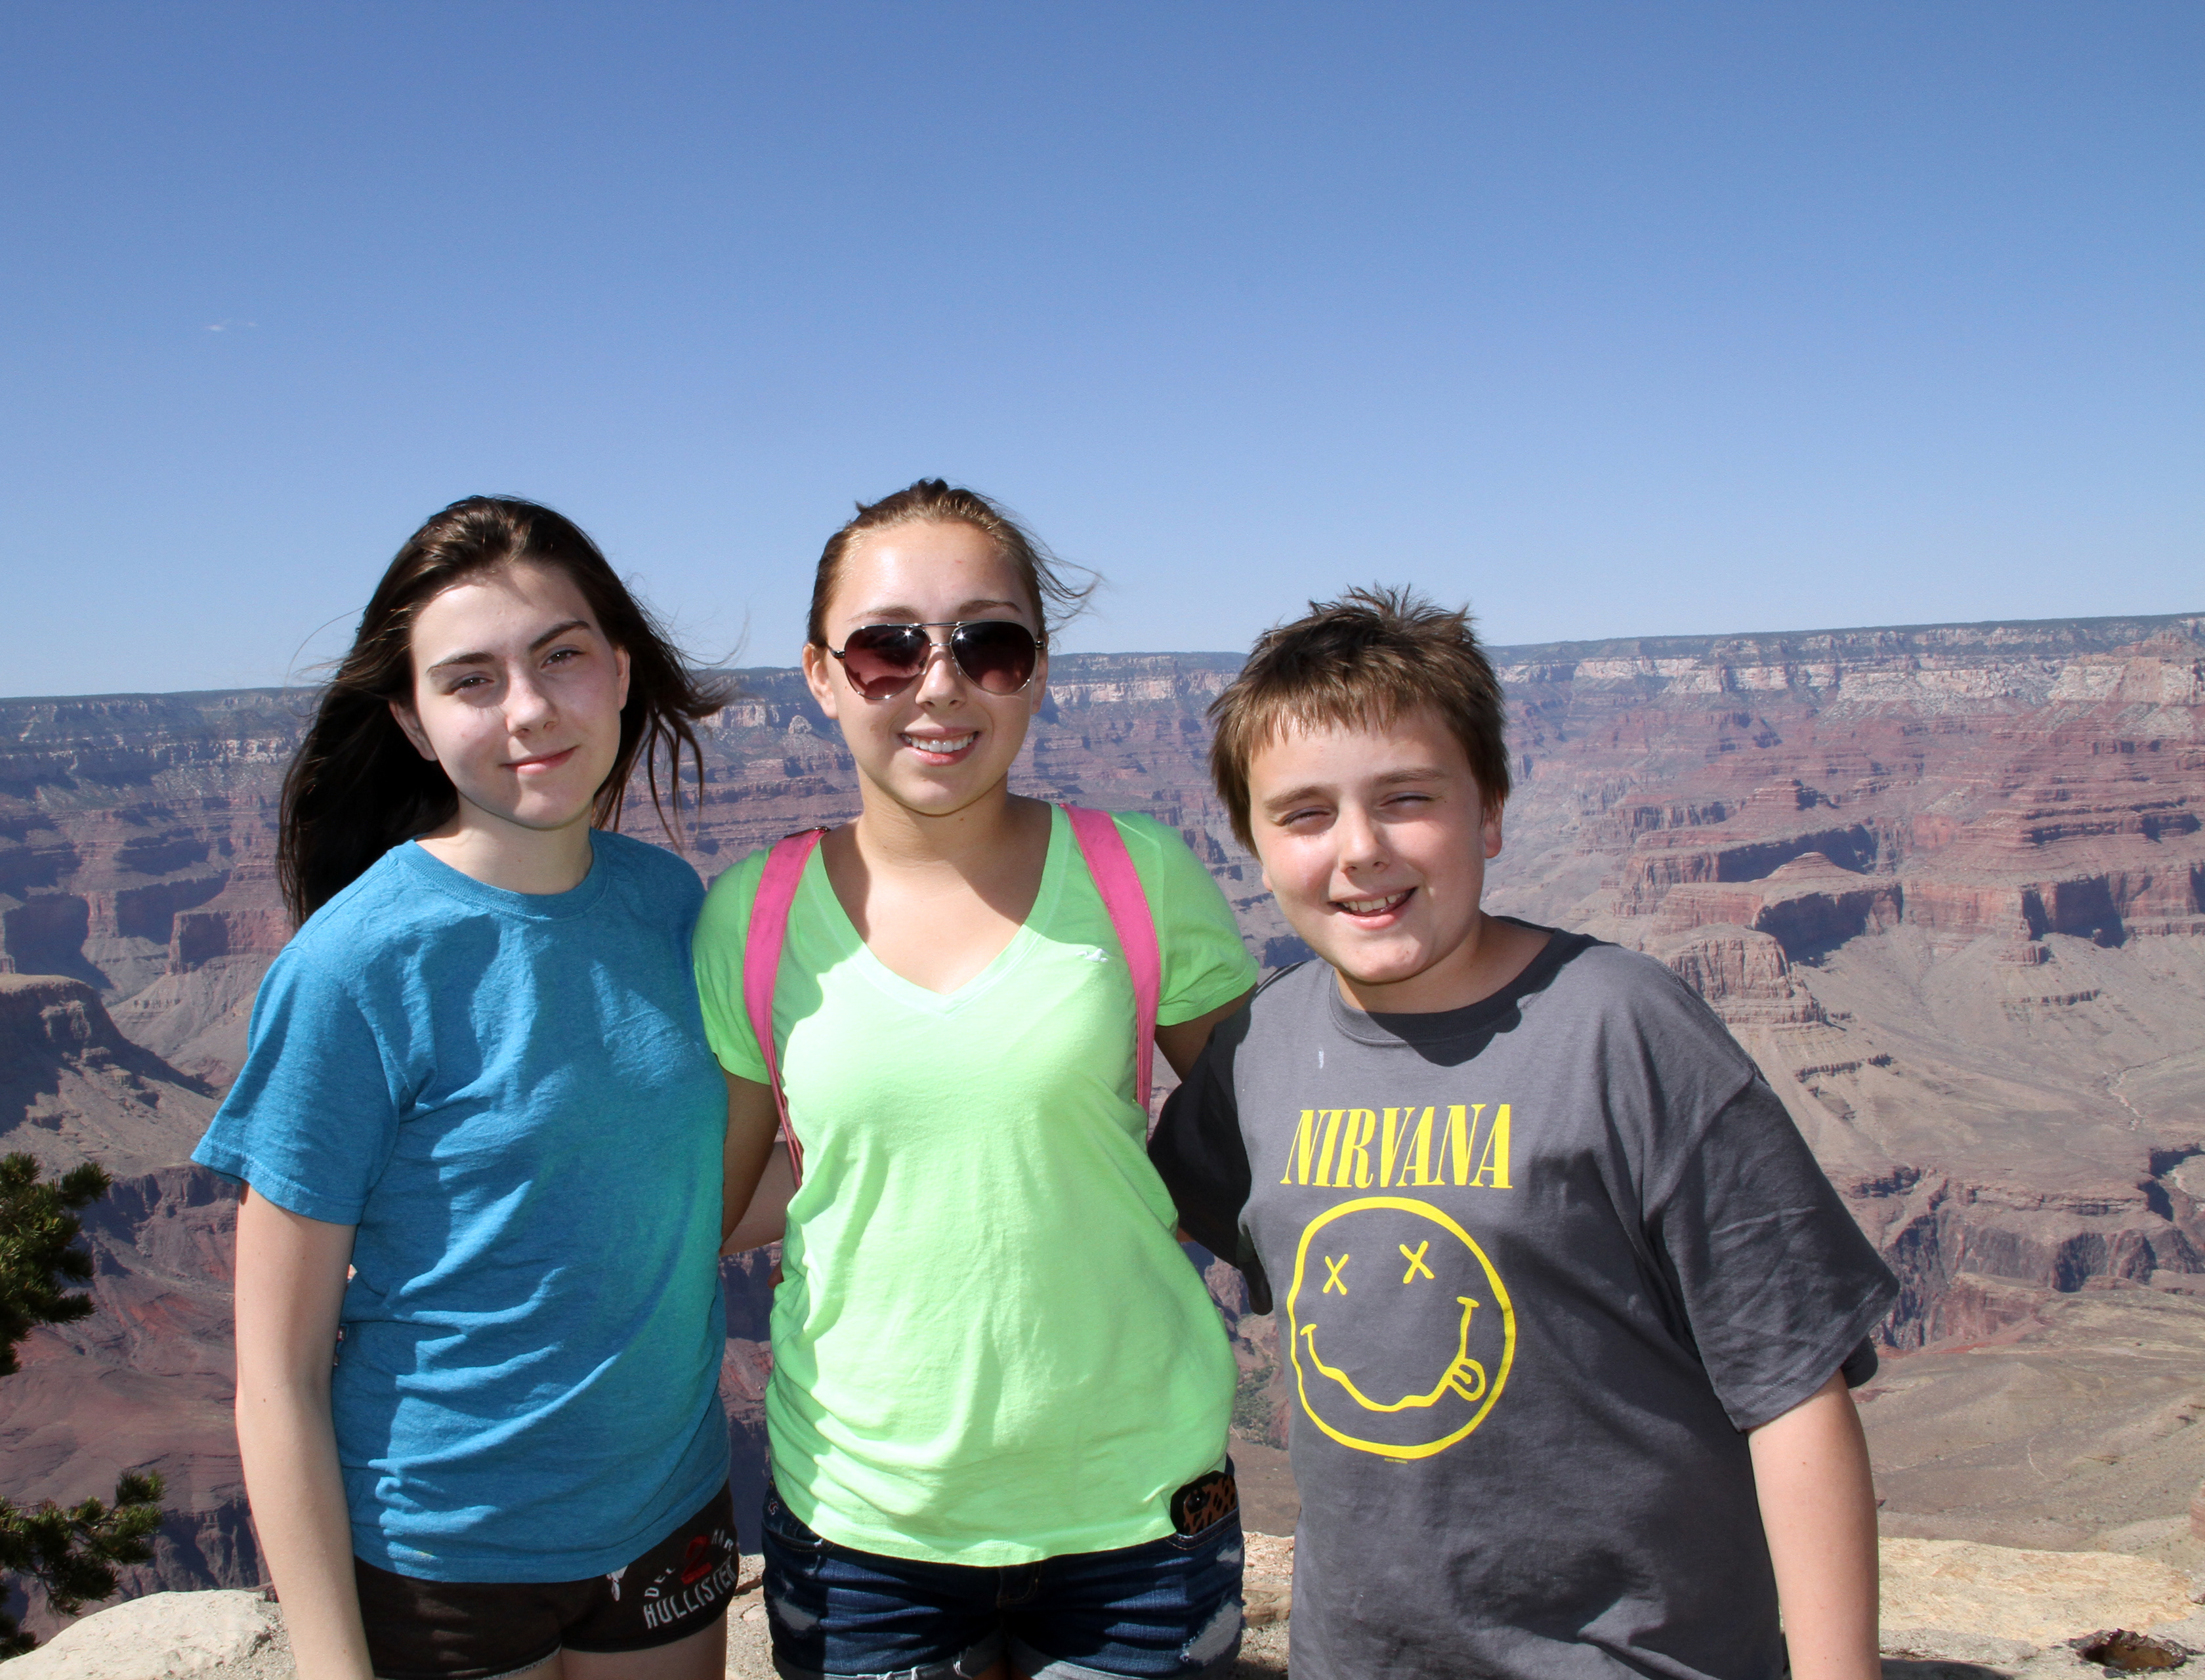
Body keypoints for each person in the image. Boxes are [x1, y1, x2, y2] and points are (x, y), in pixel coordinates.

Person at [1147, 587, 1900, 1680]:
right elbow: (1136, 1235)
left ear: (1489, 811)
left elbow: (1795, 1393)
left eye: (1407, 798)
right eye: (1305, 814)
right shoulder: (1260, 1050)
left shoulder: (1624, 1027)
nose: (1359, 850)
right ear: (1254, 847)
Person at [700, 480, 1261, 1680]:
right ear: (820, 674)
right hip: (863, 1524)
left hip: (1138, 1504)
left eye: (987, 644)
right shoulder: (754, 916)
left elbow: (1280, 1137)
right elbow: (731, 1194)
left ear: (1038, 670)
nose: (939, 683)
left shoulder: (1141, 877)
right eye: (888, 647)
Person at [196, 497, 742, 1680]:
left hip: (670, 1518)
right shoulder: (354, 968)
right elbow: (277, 1373)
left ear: (620, 670)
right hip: (443, 1557)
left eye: (561, 658)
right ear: (411, 718)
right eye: (471, 680)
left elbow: (705, 1199)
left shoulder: (672, 907)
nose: (531, 711)